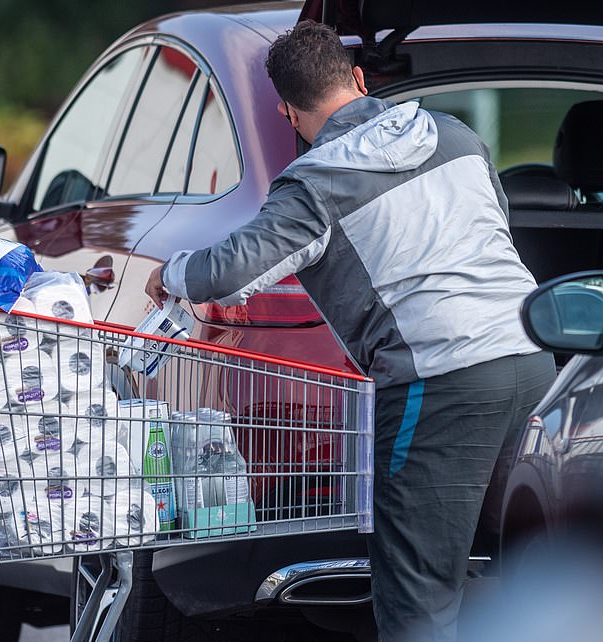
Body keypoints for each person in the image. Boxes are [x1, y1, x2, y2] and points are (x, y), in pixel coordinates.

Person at [144, 21, 556, 642]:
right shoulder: (457, 137)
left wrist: (168, 272)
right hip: (532, 360)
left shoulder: (314, 184)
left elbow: (226, 272)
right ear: (360, 79)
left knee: (416, 591)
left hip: (440, 382)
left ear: (288, 111)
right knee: (526, 564)